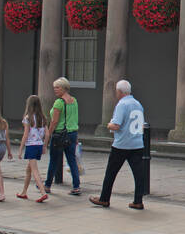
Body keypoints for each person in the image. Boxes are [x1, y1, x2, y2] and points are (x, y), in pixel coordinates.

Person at [89, 79, 146, 210]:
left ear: (119, 92)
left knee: (111, 172)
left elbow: (116, 125)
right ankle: (138, 201)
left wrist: (108, 124)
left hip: (121, 145)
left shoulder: (122, 104)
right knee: (138, 174)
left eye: (116, 91)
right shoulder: (138, 104)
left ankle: (104, 199)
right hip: (137, 144)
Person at [44, 77, 81, 197]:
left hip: (60, 134)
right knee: (72, 160)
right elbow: (75, 118)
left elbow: (54, 121)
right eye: (54, 87)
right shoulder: (74, 101)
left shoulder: (59, 103)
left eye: (57, 87)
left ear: (64, 88)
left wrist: (48, 134)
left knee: (54, 160)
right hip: (72, 133)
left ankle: (47, 185)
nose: (55, 89)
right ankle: (76, 186)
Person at [16, 95, 48, 202]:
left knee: (35, 170)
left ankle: (43, 192)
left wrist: (20, 149)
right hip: (39, 145)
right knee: (28, 170)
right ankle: (24, 192)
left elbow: (25, 135)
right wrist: (44, 146)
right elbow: (47, 134)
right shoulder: (43, 118)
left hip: (31, 145)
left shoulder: (28, 118)